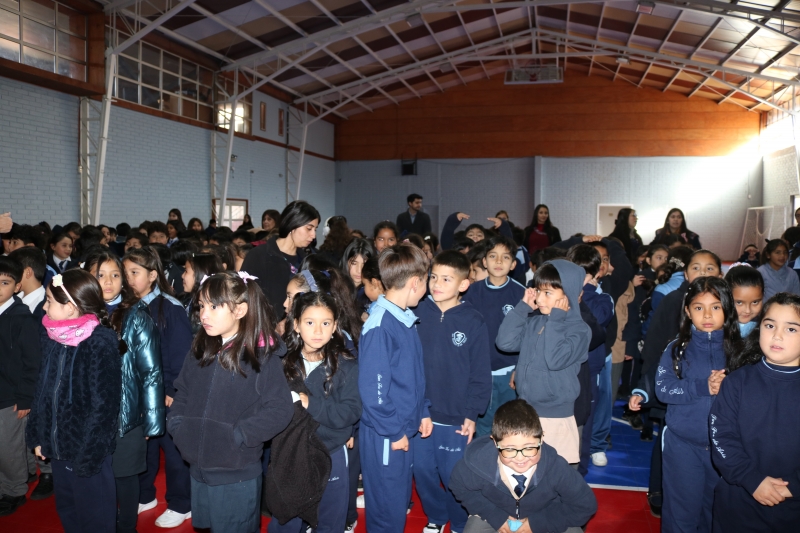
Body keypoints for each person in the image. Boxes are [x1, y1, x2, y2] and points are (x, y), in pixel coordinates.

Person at [168, 271, 293, 533]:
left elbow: (280, 408)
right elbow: (183, 391)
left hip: (236, 473)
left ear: (240, 310)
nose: (204, 315)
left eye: (214, 307)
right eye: (202, 306)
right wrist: (178, 425)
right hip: (198, 469)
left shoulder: (260, 357)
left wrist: (239, 435)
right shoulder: (201, 348)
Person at [27, 269, 122, 532]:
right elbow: (43, 389)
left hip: (87, 450)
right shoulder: (50, 335)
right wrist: (39, 435)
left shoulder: (98, 342)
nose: (44, 307)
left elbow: (105, 406)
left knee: (95, 518)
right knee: (69, 512)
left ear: (70, 308)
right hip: (58, 446)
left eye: (49, 301)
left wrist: (89, 455)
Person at [84, 251, 165, 533]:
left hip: (126, 416)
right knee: (95, 478)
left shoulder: (136, 316)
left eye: (115, 275)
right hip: (89, 415)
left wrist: (151, 422)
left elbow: (151, 372)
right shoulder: (79, 314)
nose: (108, 282)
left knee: (125, 477)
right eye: (100, 275)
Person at [413, 251, 492, 533]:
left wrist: (472, 413)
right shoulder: (417, 312)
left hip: (456, 417)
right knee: (422, 471)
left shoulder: (473, 320)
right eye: (433, 277)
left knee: (453, 477)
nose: (437, 284)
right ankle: (436, 516)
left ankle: (459, 522)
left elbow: (480, 373)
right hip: (421, 413)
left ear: (463, 284)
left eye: (446, 279)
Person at [271, 291, 362, 533]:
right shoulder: (281, 363)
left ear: (335, 327)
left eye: (326, 323)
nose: (318, 331)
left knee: (330, 518)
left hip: (331, 451)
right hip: (290, 452)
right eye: (310, 322)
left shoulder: (347, 365)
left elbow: (350, 412)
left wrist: (311, 403)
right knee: (287, 517)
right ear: (296, 325)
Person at [655, 277, 741, 533]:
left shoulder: (740, 352)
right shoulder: (676, 349)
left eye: (716, 307)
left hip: (724, 449)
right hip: (682, 445)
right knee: (680, 514)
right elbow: (663, 389)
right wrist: (703, 387)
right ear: (687, 311)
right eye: (699, 307)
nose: (707, 315)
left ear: (727, 309)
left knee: (715, 514)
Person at [711, 293, 800, 532]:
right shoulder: (737, 382)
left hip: (792, 510)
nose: (777, 335)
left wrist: (793, 486)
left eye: (791, 329)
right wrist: (752, 479)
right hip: (737, 505)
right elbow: (722, 437)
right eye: (770, 325)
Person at [358, 244, 431, 533]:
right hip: (386, 433)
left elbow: (413, 375)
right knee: (387, 509)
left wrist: (423, 410)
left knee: (397, 500)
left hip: (400, 427)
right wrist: (394, 430)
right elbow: (373, 392)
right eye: (426, 282)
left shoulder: (403, 317)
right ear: (415, 282)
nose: (426, 289)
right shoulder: (381, 325)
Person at [449, 399, 597, 533]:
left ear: (541, 438)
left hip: (545, 516)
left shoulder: (557, 468)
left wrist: (538, 523)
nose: (520, 458)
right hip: (496, 512)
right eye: (509, 449)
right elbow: (458, 486)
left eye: (529, 448)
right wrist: (494, 515)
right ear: (495, 442)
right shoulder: (477, 464)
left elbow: (585, 505)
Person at [124, 248, 194, 529]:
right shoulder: (129, 306)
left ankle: (181, 504)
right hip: (139, 393)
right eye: (125, 272)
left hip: (165, 394)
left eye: (135, 272)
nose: (128, 278)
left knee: (174, 452)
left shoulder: (169, 307)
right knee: (144, 449)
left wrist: (172, 392)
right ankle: (145, 495)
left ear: (153, 275)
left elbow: (181, 355)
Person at [496, 260, 590, 464]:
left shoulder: (579, 330)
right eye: (538, 291)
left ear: (568, 296)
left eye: (548, 293)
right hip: (527, 411)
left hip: (556, 417)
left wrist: (556, 320)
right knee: (526, 470)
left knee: (555, 474)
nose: (539, 298)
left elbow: (555, 360)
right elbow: (504, 342)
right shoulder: (535, 322)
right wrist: (522, 308)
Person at [463, 235, 526, 436]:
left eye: (505, 257)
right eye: (493, 256)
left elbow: (529, 336)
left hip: (509, 373)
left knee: (509, 426)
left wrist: (519, 368)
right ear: (484, 261)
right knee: (481, 426)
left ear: (513, 264)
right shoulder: (471, 293)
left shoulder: (521, 294)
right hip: (479, 373)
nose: (498, 261)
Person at [0, 257, 42, 516]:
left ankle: (14, 490)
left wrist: (25, 397)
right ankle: (16, 478)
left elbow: (32, 363)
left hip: (11, 397)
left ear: (17, 287)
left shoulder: (22, 318)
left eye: (4, 283)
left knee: (8, 448)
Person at [242, 201, 320, 321]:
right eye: (309, 228)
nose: (313, 235)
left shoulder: (307, 261)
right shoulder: (258, 256)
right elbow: (245, 298)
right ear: (292, 224)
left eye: (315, 229)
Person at [725, 264, 764, 337]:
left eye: (755, 302)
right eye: (739, 302)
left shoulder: (764, 327)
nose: (747, 311)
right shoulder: (716, 327)